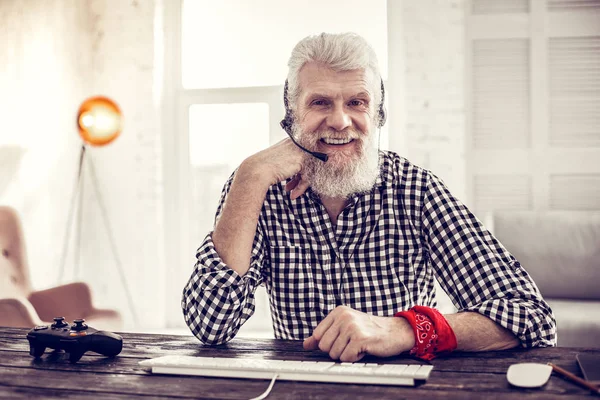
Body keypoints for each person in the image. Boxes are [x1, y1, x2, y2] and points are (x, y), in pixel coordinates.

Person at [182, 32, 556, 362]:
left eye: (357, 103)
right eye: (320, 103)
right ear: (290, 116)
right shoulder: (257, 188)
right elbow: (210, 324)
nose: (341, 122)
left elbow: (530, 316)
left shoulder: (416, 189)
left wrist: (401, 330)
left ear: (378, 115)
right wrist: (249, 176)